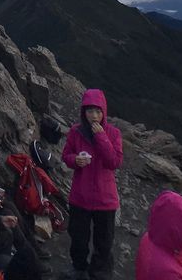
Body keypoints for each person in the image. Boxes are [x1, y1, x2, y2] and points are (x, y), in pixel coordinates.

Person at [61, 88, 123, 280]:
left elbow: (114, 162)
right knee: (78, 237)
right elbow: (66, 155)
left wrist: (101, 136)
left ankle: (98, 272)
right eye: (89, 111)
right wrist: (74, 160)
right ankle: (78, 267)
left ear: (104, 112)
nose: (94, 116)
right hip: (81, 196)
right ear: (83, 112)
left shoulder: (113, 133)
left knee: (103, 241)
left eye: (98, 111)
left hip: (105, 198)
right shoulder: (76, 131)